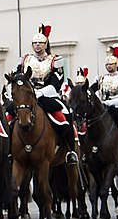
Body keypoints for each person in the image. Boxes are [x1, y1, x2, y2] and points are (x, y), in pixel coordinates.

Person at [15, 23, 78, 164]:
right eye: (35, 43)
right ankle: (8, 149)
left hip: (47, 96)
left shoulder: (55, 60)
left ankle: (70, 151)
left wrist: (39, 93)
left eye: (40, 43)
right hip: (26, 96)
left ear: (46, 44)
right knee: (8, 114)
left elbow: (56, 84)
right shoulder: (25, 59)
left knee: (66, 112)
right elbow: (18, 78)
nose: (37, 45)